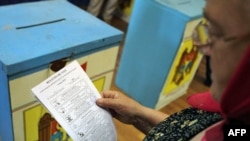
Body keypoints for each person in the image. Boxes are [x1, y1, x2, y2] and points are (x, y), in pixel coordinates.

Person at [95, 0, 250, 140]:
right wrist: (139, 113)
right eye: (205, 27)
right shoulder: (231, 115)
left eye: (216, 32)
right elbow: (186, 131)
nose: (201, 48)